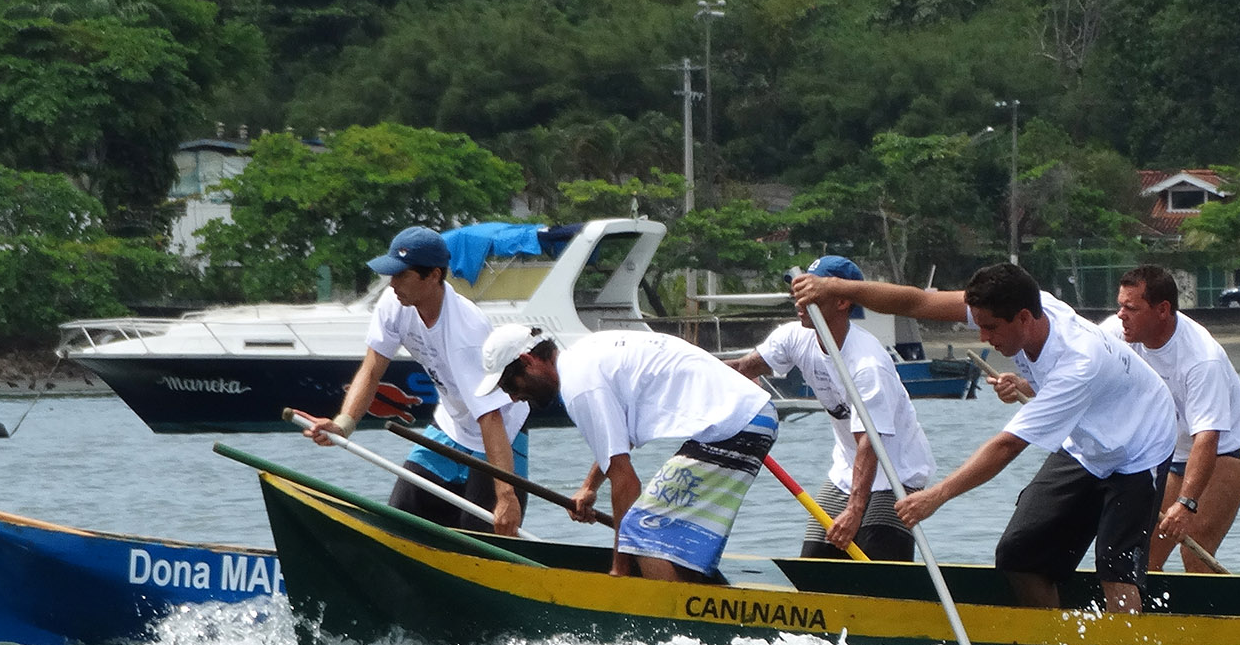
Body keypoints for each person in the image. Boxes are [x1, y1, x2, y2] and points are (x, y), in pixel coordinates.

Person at [790, 261, 1176, 613]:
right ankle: (1052, 643)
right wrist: (835, 286)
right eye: (978, 325)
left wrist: (935, 496)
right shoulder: (1016, 301)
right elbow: (918, 302)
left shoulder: (1079, 362)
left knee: (1115, 570)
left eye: (991, 328)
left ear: (1024, 318)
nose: (984, 336)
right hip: (1089, 445)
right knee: (1017, 555)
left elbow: (1007, 446)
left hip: (1140, 447)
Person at [476, 324, 777, 581]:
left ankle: (672, 624)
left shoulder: (580, 387)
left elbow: (626, 483)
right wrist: (588, 487)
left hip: (735, 423)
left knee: (641, 530)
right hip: (749, 417)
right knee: (663, 534)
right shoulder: (585, 356)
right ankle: (689, 596)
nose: (513, 397)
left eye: (509, 384)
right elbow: (619, 443)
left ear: (528, 361)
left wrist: (619, 571)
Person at [296, 225, 528, 535]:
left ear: (433, 276)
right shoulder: (395, 305)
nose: (391, 284)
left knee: (487, 535)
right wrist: (343, 424)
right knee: (400, 523)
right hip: (450, 427)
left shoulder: (466, 332)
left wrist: (506, 496)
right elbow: (372, 369)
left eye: (401, 274)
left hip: (500, 434)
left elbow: (490, 416)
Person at [725, 255, 935, 562]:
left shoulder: (867, 364)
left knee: (878, 566)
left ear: (842, 302)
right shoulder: (793, 337)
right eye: (797, 291)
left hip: (897, 474)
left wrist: (854, 510)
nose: (799, 300)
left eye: (812, 293)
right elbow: (744, 367)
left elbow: (869, 443)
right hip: (845, 472)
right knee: (814, 563)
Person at [1105, 265, 1240, 573]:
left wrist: (1186, 504)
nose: (1120, 315)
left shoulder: (1200, 358)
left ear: (1162, 310)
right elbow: (1079, 367)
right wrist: (1027, 385)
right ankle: (1156, 620)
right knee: (1144, 555)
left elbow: (1207, 439)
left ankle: (1217, 619)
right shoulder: (1118, 333)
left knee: (1194, 545)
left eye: (1131, 308)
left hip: (1230, 449)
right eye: (1120, 305)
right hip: (1175, 455)